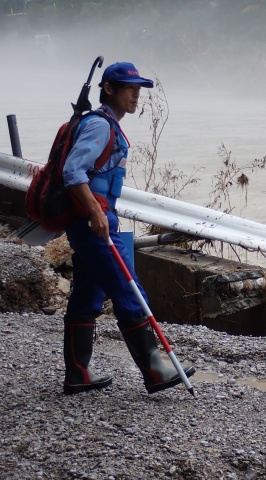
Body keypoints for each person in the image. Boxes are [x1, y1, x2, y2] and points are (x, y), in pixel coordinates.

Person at [61, 61, 195, 395]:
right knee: (128, 287)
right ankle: (155, 368)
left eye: (138, 89)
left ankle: (78, 373)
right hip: (94, 223)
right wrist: (95, 212)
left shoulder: (109, 126)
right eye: (129, 89)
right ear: (109, 89)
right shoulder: (100, 126)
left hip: (91, 221)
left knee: (88, 294)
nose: (136, 95)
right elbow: (73, 171)